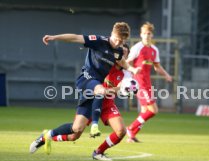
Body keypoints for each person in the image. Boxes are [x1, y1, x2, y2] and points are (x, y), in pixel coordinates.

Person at [33, 22, 139, 154]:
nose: (118, 43)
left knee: (76, 130)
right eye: (116, 39)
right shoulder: (99, 41)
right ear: (111, 33)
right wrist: (55, 37)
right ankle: (94, 125)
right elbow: (75, 38)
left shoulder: (117, 52)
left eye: (121, 41)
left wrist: (132, 69)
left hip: (97, 92)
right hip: (86, 80)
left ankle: (47, 136)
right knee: (100, 90)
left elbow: (122, 61)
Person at [125, 22, 173, 143]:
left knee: (145, 111)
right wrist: (130, 75)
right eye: (145, 33)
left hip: (147, 83)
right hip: (138, 82)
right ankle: (130, 128)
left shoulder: (154, 50)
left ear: (152, 35)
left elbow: (157, 67)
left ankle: (131, 135)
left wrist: (166, 75)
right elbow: (127, 62)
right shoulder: (137, 48)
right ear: (141, 35)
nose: (147, 35)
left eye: (149, 33)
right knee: (153, 110)